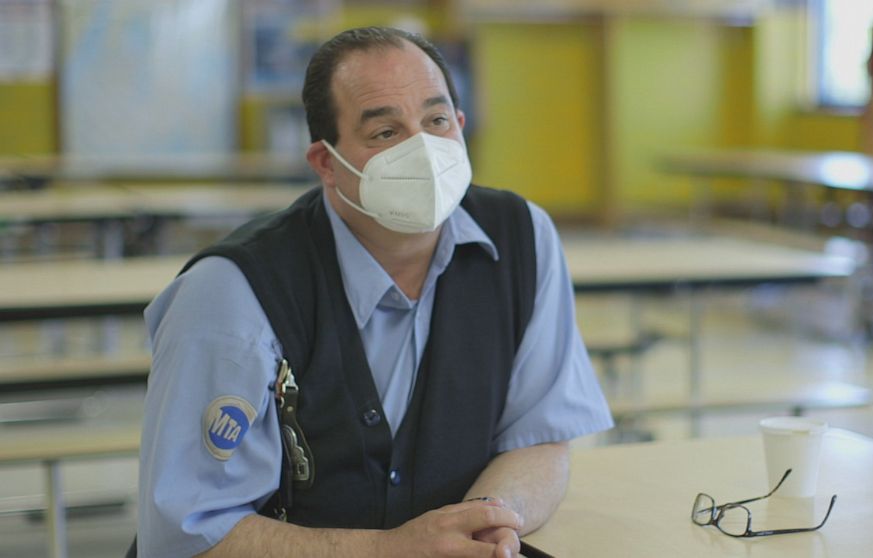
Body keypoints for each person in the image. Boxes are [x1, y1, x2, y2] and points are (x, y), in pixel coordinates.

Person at [136, 26, 613, 558]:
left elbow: (541, 437)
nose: (423, 150)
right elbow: (186, 535)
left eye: (435, 121)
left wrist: (479, 526)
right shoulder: (232, 293)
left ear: (459, 125)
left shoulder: (522, 238)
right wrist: (390, 550)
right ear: (326, 164)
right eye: (385, 133)